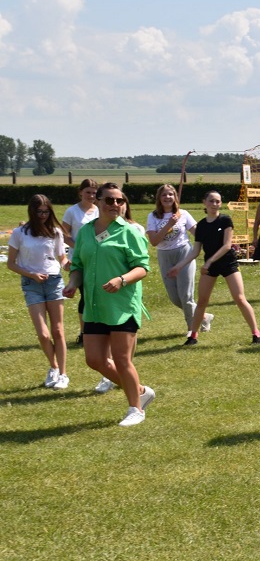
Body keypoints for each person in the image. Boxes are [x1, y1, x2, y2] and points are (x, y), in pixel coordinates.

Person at [62, 183, 155, 427]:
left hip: (122, 305)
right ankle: (142, 390)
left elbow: (142, 267)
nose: (115, 205)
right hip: (94, 304)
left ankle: (136, 408)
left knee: (123, 359)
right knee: (94, 360)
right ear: (98, 202)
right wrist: (73, 283)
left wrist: (122, 280)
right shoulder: (85, 232)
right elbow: (79, 264)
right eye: (109, 200)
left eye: (119, 201)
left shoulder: (131, 232)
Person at [170, 190, 260, 346]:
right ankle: (193, 336)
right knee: (202, 301)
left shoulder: (225, 220)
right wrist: (178, 266)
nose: (214, 204)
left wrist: (208, 262)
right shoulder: (201, 226)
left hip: (228, 263)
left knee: (239, 298)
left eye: (217, 201)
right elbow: (195, 251)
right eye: (211, 201)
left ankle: (256, 333)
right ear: (204, 202)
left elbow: (227, 246)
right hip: (210, 266)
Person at [8, 195, 70, 389]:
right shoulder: (20, 233)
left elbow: (61, 258)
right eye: (40, 212)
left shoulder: (56, 232)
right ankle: (53, 367)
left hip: (53, 282)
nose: (43, 216)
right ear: (32, 212)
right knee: (43, 334)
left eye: (46, 212)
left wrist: (72, 265)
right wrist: (32, 274)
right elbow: (11, 263)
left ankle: (63, 373)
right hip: (31, 284)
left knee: (58, 331)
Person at [146, 184, 210, 333]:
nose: (167, 197)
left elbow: (198, 234)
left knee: (186, 295)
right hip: (165, 256)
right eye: (164, 195)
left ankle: (191, 330)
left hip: (184, 254)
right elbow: (154, 242)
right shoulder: (153, 216)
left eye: (170, 194)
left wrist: (213, 244)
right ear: (159, 198)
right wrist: (169, 224)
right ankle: (204, 316)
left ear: (175, 197)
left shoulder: (184, 214)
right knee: (175, 298)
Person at [61, 179, 99, 347]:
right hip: (79, 259)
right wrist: (81, 246)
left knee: (96, 293)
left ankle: (98, 329)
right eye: (88, 192)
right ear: (80, 192)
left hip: (98, 258)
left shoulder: (99, 210)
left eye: (93, 192)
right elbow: (64, 235)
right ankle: (84, 332)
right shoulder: (72, 212)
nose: (91, 196)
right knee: (85, 294)